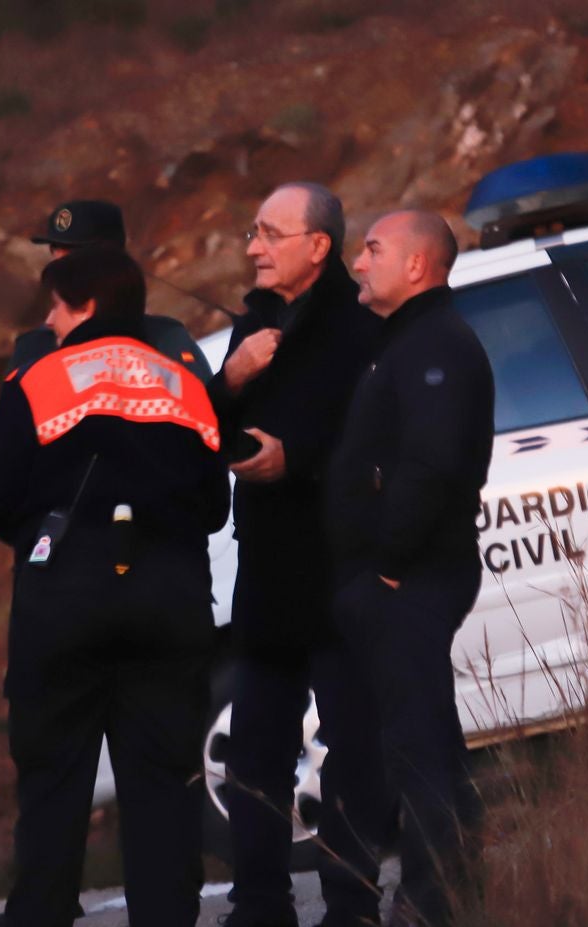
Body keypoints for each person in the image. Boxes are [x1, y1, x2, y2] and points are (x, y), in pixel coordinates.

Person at [0, 246, 230, 927]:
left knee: (55, 778)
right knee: (161, 779)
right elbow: (213, 505)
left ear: (85, 306)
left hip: (64, 606)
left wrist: (46, 535)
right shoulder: (180, 380)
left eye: (56, 305)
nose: (49, 320)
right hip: (167, 605)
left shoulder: (40, 378)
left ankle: (40, 914)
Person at [208, 183, 384, 927]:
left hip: (342, 565)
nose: (252, 247)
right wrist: (232, 380)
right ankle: (259, 906)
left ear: (317, 246)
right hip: (269, 570)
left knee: (351, 745)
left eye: (268, 233)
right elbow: (202, 435)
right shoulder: (252, 328)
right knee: (254, 749)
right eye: (253, 233)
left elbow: (384, 441)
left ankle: (350, 905)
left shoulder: (364, 327)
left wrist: (299, 460)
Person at [327, 210, 495, 927]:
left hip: (412, 578)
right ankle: (456, 891)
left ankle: (433, 905)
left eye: (371, 250)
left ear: (418, 266)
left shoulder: (436, 345)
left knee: (419, 750)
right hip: (397, 577)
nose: (358, 264)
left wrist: (389, 566)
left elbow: (432, 464)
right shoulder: (403, 342)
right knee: (423, 740)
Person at [11, 198, 212, 382]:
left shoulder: (164, 337)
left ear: (114, 259)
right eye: (54, 249)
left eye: (73, 252)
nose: (59, 261)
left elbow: (205, 410)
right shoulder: (33, 347)